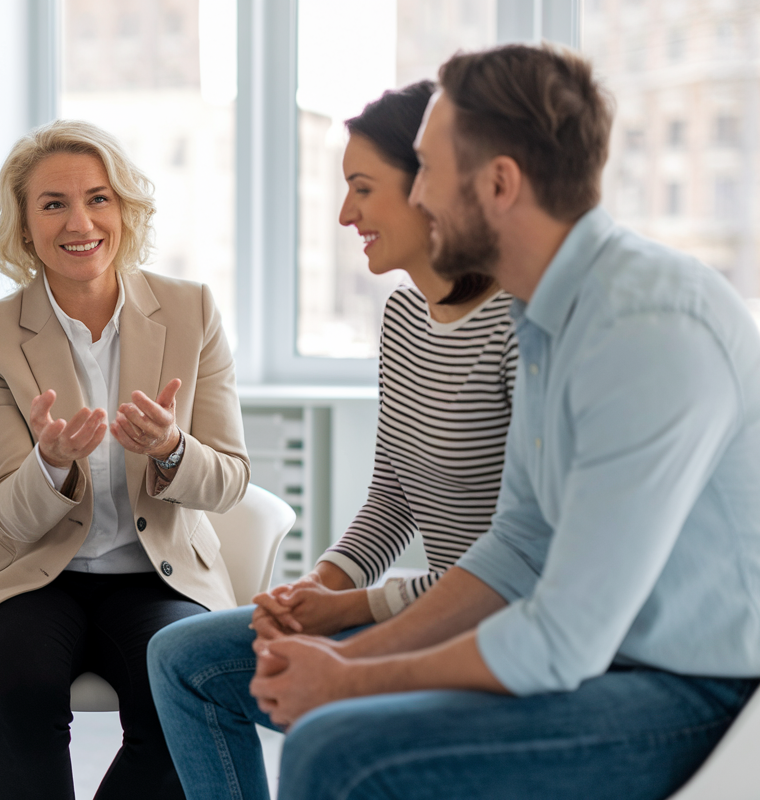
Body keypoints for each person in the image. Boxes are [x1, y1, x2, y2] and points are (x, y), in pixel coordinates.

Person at [238, 44, 760, 800]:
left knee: (341, 750)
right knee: (330, 726)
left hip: (722, 694)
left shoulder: (645, 324)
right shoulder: (546, 317)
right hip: (620, 664)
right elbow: (516, 547)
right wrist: (350, 659)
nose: (420, 198)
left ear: (500, 183)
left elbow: (560, 638)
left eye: (429, 171)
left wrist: (354, 678)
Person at [148, 81, 519, 800]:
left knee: (320, 733)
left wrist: (355, 609)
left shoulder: (519, 326)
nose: (346, 214)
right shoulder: (406, 320)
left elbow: (516, 559)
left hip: (491, 628)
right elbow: (392, 499)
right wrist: (318, 586)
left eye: (362, 188)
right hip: (420, 613)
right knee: (181, 657)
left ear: (431, 186)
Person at [0, 119, 249, 800]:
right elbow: (7, 516)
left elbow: (229, 480)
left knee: (188, 691)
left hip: (155, 577)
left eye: (99, 198)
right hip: (29, 575)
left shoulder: (192, 312)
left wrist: (170, 449)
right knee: (15, 682)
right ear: (24, 227)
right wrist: (48, 463)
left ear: (125, 210)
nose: (80, 221)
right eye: (53, 204)